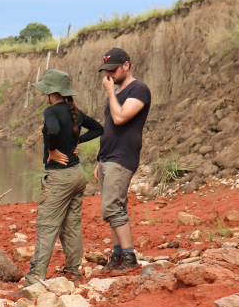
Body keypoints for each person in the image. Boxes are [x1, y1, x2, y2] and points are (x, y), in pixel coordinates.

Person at [24, 70, 103, 286]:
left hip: (59, 177)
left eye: (44, 91)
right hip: (77, 175)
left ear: (52, 92)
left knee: (47, 225)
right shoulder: (73, 111)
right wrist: (78, 142)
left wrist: (51, 151)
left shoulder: (51, 112)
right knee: (71, 225)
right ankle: (73, 273)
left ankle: (34, 279)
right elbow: (98, 128)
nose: (42, 95)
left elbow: (53, 131)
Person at [95, 47, 151, 272]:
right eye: (107, 70)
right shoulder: (117, 92)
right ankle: (117, 254)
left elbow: (119, 118)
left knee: (112, 206)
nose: (110, 74)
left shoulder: (139, 89)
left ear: (126, 65)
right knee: (113, 206)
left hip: (123, 156)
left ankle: (129, 257)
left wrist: (110, 91)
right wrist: (100, 159)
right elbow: (109, 127)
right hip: (108, 156)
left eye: (114, 69)